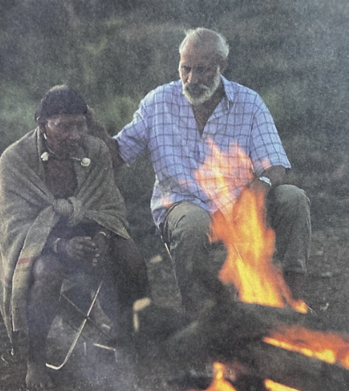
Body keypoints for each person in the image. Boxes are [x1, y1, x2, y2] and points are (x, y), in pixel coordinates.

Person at [98, 28, 311, 319]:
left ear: (221, 66)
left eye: (202, 70)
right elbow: (118, 154)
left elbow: (275, 164)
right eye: (185, 69)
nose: (192, 79)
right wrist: (92, 131)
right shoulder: (158, 102)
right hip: (184, 206)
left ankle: (293, 304)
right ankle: (199, 321)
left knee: (292, 198)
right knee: (193, 222)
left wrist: (261, 183)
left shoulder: (249, 104)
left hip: (241, 207)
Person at [0, 85, 150, 390]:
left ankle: (129, 340)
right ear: (42, 123)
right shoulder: (15, 159)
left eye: (80, 125)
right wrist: (60, 245)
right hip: (40, 243)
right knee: (48, 272)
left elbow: (109, 205)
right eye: (63, 127)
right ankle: (35, 360)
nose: (74, 135)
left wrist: (103, 236)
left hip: (90, 230)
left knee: (131, 257)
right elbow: (15, 225)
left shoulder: (97, 151)